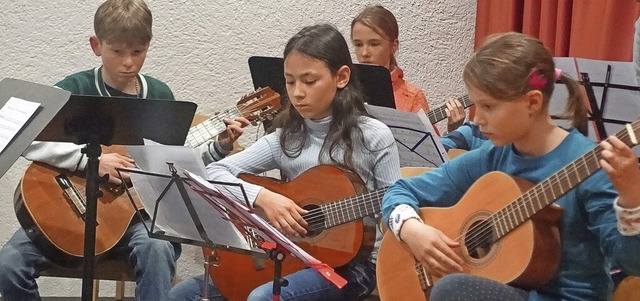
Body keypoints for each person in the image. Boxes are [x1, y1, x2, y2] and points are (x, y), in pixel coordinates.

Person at [0, 1, 248, 300]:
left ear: (148, 46)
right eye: (117, 51)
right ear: (96, 45)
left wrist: (218, 147)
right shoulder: (74, 88)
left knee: (156, 248)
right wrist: (90, 161)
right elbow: (30, 139)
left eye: (137, 51)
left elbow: (173, 163)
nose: (128, 62)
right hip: (69, 213)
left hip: (136, 217)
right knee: (8, 265)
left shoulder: (160, 95)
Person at [382, 31, 640, 301]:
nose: (477, 119)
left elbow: (633, 264)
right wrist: (412, 230)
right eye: (476, 105)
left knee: (452, 289)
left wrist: (632, 200)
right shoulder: (494, 155)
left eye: (488, 107)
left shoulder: (591, 166)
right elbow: (399, 190)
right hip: (510, 290)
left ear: (532, 102)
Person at [168, 23, 401, 301]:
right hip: (288, 256)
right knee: (181, 296)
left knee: (262, 299)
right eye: (290, 82)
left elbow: (396, 204)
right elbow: (213, 172)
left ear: (341, 77)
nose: (298, 92)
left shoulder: (373, 136)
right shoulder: (285, 138)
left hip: (353, 266)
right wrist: (264, 198)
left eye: (309, 81)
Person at [350, 5, 465, 133]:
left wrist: (453, 131)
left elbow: (427, 150)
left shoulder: (412, 97)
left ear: (394, 46)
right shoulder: (343, 89)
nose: (364, 52)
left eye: (374, 44)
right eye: (358, 44)